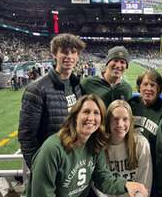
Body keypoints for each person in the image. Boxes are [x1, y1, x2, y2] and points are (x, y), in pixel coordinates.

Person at [26, 94, 148, 197]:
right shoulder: (52, 149)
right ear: (75, 117)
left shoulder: (95, 145)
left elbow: (103, 180)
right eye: (86, 112)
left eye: (96, 113)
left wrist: (126, 184)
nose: (91, 118)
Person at [18, 33, 86, 168]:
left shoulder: (77, 85)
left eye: (73, 52)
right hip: (50, 162)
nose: (69, 57)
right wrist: (38, 167)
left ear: (78, 56)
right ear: (54, 54)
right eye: (64, 52)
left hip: (74, 159)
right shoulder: (37, 89)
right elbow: (27, 135)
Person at [95, 100, 152, 197]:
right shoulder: (99, 145)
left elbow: (144, 183)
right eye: (115, 119)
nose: (120, 124)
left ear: (130, 121)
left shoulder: (141, 144)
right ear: (108, 121)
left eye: (125, 119)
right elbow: (98, 184)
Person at [128, 70, 162, 197]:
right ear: (139, 87)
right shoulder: (132, 104)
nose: (148, 88)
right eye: (145, 84)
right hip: (130, 167)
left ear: (159, 89)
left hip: (154, 171)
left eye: (153, 85)